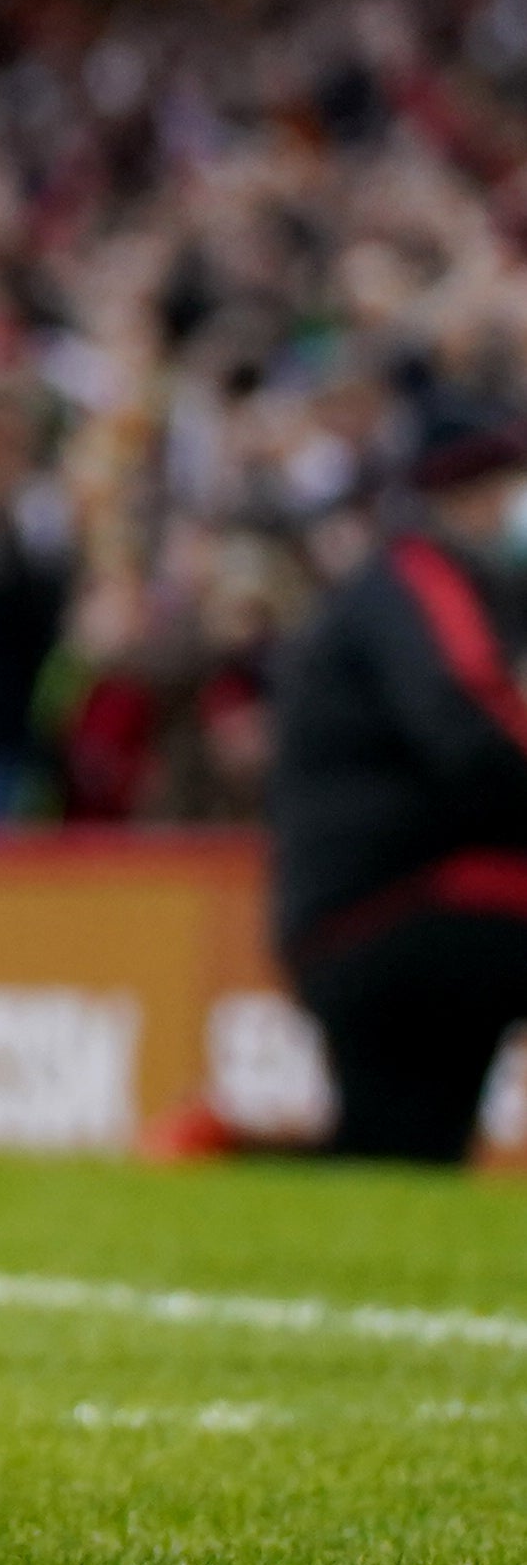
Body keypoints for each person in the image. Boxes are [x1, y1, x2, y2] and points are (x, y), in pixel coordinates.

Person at [265, 397, 527, 1163]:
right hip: (391, 904)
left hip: (350, 911)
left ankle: (219, 1159)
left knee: (400, 1149)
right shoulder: (423, 580)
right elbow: (473, 736)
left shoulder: (406, 585)